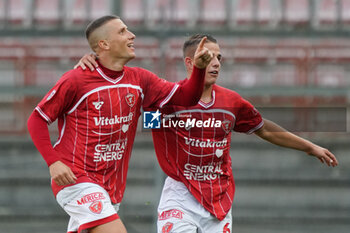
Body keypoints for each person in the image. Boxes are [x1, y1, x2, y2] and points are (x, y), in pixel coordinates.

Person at [76, 34, 338, 233]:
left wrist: (309, 147)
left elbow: (264, 129)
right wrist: (95, 64)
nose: (215, 63)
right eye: (208, 57)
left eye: (219, 58)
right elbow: (127, 100)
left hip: (219, 199)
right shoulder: (167, 100)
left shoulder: (231, 102)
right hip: (180, 195)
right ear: (190, 62)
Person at [27, 15, 213, 233]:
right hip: (76, 179)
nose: (132, 35)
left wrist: (199, 70)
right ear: (104, 44)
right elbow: (37, 118)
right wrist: (53, 162)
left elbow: (186, 98)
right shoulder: (76, 79)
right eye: (123, 31)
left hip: (110, 187)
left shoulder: (140, 79)